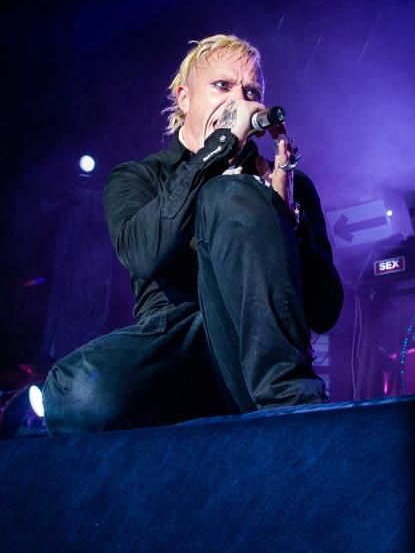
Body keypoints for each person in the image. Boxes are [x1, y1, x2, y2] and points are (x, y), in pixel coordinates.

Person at [42, 34, 343, 434]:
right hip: (176, 348)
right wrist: (216, 153)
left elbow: (326, 311)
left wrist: (287, 222)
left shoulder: (288, 182)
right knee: (76, 392)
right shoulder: (138, 177)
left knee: (231, 193)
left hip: (255, 350)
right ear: (184, 98)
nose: (239, 100)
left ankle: (291, 413)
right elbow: (143, 254)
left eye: (251, 91)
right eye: (222, 86)